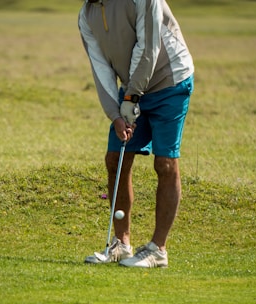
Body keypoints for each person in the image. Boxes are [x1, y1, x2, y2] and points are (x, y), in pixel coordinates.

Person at [78, 0, 194, 268]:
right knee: (116, 158)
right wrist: (116, 115)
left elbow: (148, 48)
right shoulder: (86, 14)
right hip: (133, 86)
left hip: (171, 81)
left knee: (164, 163)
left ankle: (158, 249)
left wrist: (131, 97)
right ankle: (121, 244)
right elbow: (101, 68)